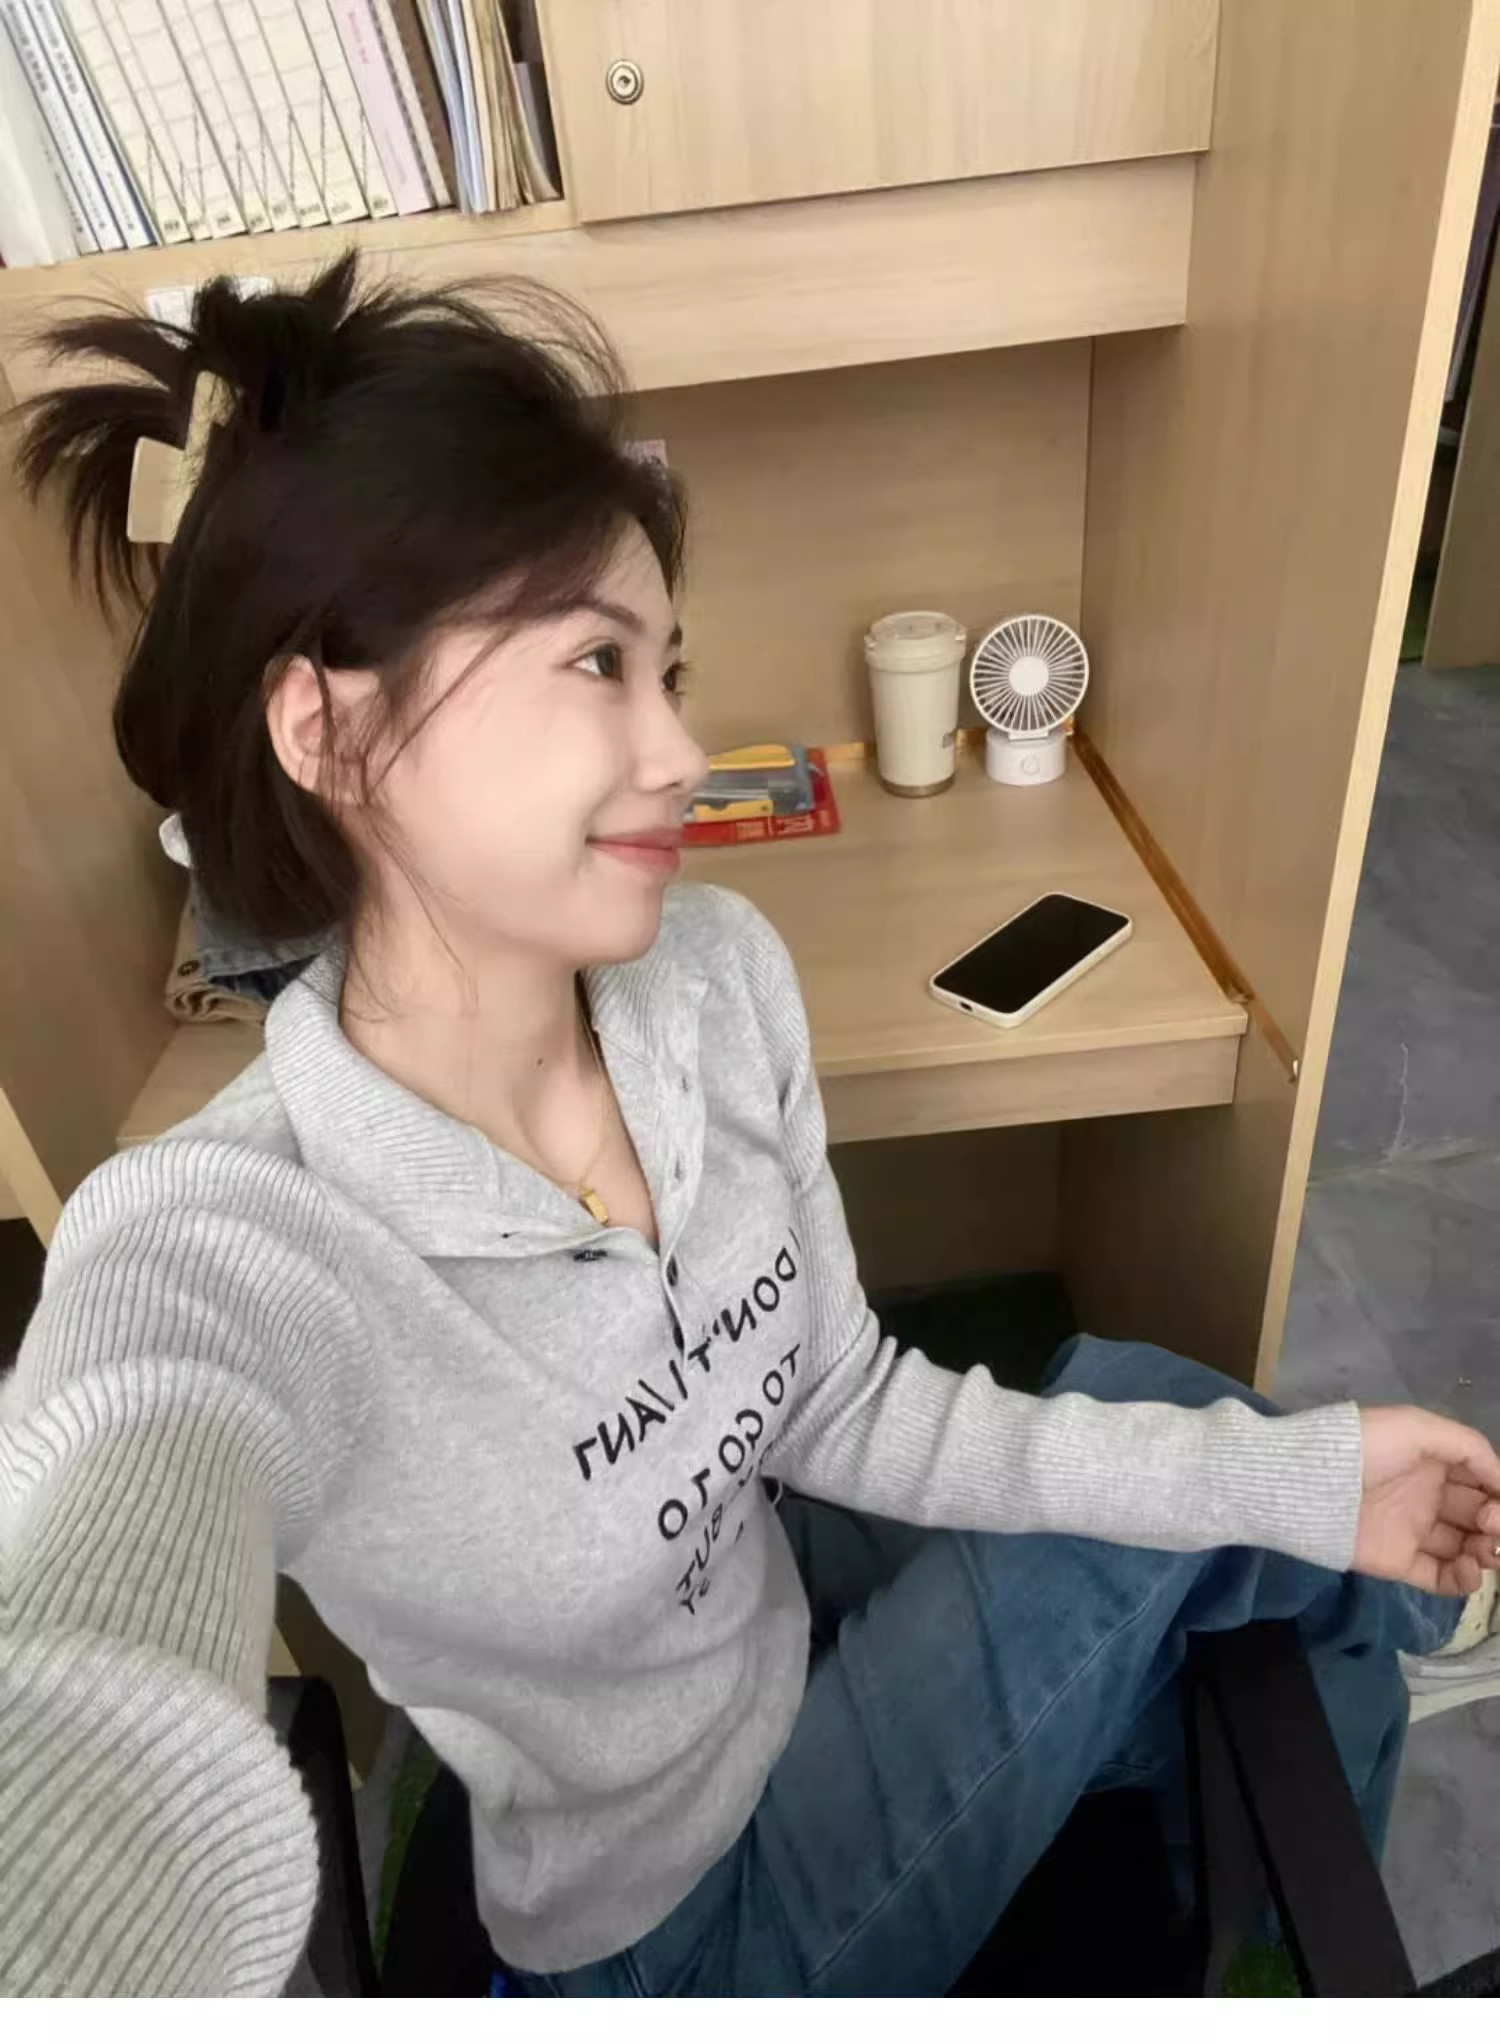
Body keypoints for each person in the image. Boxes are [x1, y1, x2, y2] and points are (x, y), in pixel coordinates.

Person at [2, 253, 1498, 1999]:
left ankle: (1307, 1824)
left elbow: (837, 1399)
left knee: (1214, 1469)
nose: (680, 751)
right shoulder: (225, 1241)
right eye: (595, 662)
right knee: (1203, 1513)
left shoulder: (711, 975)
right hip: (671, 1938)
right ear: (329, 729)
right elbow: (101, 1579)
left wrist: (1306, 1486)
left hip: (782, 1630)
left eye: (671, 667)